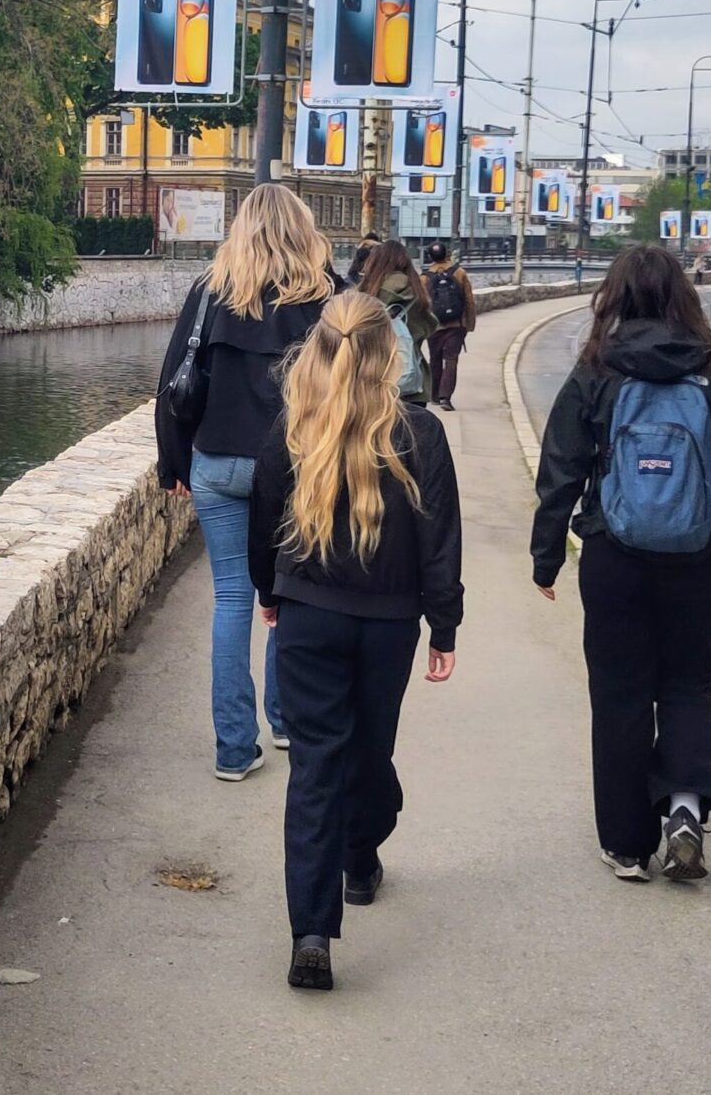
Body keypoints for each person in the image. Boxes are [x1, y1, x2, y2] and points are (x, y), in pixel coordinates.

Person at [250, 290, 462, 992]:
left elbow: (263, 516)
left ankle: (312, 930)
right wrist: (445, 622)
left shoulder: (293, 426)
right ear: (389, 351)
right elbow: (440, 541)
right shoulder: (420, 434)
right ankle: (361, 853)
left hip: (310, 613)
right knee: (370, 753)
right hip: (387, 621)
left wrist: (270, 591)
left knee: (315, 768)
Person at [532, 243, 711, 883]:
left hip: (614, 555)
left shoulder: (597, 368)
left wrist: (547, 556)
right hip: (697, 556)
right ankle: (686, 807)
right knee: (689, 682)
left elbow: (561, 469)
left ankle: (629, 845)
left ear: (615, 296)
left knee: (620, 694)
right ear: (682, 298)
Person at [157, 184, 338, 780]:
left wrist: (174, 465)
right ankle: (286, 720)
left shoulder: (212, 292)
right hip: (295, 468)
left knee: (232, 597)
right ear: (303, 229)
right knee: (289, 591)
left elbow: (173, 384)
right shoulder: (327, 297)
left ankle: (234, 749)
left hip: (216, 462)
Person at [356, 239, 438, 404]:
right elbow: (429, 327)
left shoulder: (365, 295)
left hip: (372, 381)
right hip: (410, 380)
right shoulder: (416, 294)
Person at [422, 241, 476, 411]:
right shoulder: (459, 273)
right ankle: (446, 397)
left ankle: (434, 395)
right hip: (456, 325)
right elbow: (469, 300)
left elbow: (421, 303)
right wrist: (469, 324)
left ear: (430, 256)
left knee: (434, 360)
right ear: (447, 254)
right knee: (451, 360)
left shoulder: (424, 277)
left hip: (434, 326)